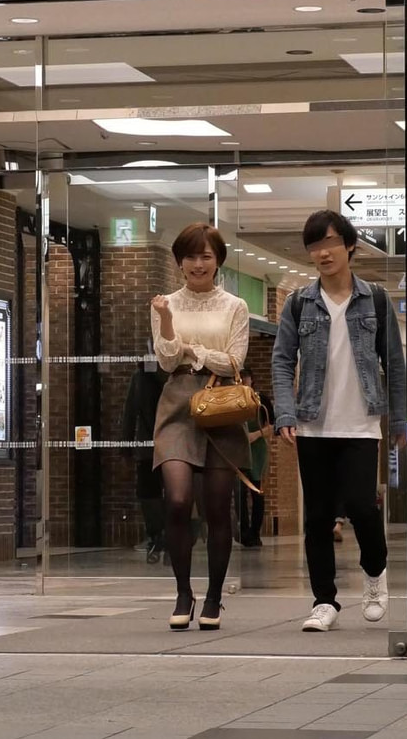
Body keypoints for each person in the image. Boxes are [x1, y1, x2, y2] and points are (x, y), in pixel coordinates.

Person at [271, 209, 406, 633]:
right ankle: (324, 601)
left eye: (330, 242)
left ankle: (375, 572)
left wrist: (400, 422)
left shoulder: (376, 300)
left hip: (361, 423)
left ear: (349, 246)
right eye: (314, 245)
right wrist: (285, 412)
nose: (323, 252)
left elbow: (395, 364)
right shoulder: (299, 303)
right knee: (317, 517)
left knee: (363, 508)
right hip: (313, 423)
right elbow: (281, 361)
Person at [150, 222, 251, 631]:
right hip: (177, 405)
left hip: (221, 405)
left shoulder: (235, 306)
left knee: (217, 507)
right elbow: (166, 360)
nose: (197, 264)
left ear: (217, 261)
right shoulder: (165, 304)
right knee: (177, 500)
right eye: (190, 256)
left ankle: (213, 597)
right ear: (179, 262)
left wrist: (193, 351)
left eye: (205, 256)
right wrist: (167, 322)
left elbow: (235, 361)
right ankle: (182, 592)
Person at [120, 344, 167, 563]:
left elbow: (130, 413)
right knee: (167, 492)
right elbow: (130, 413)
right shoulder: (169, 377)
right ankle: (165, 537)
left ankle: (157, 536)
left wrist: (126, 447)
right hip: (168, 445)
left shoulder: (140, 378)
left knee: (149, 492)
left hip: (148, 446)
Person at [237, 367, 274, 549]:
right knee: (240, 493)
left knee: (257, 492)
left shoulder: (262, 400)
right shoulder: (234, 399)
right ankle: (243, 532)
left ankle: (255, 533)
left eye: (246, 377)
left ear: (252, 379)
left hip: (257, 450)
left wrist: (256, 435)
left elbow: (272, 427)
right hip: (239, 450)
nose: (244, 381)